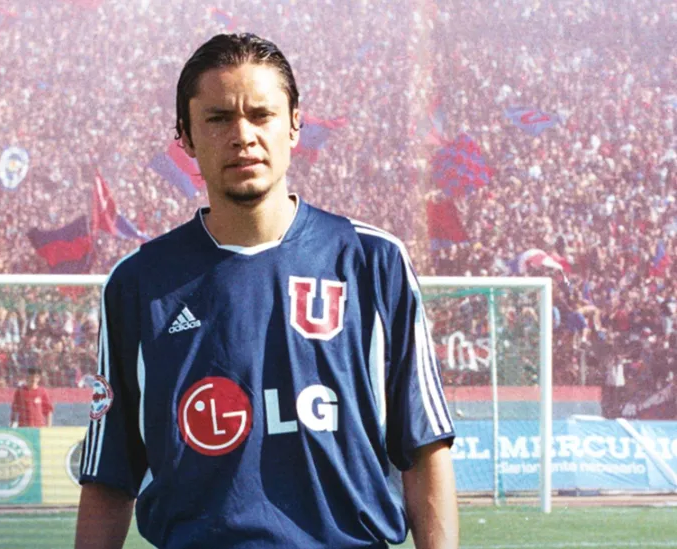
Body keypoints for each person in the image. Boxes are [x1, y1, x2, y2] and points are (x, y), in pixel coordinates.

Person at [75, 33, 458, 549]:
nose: (242, 136)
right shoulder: (138, 284)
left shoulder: (373, 262)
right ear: (185, 137)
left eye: (261, 115)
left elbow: (424, 447)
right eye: (218, 119)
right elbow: (109, 475)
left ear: (295, 124)